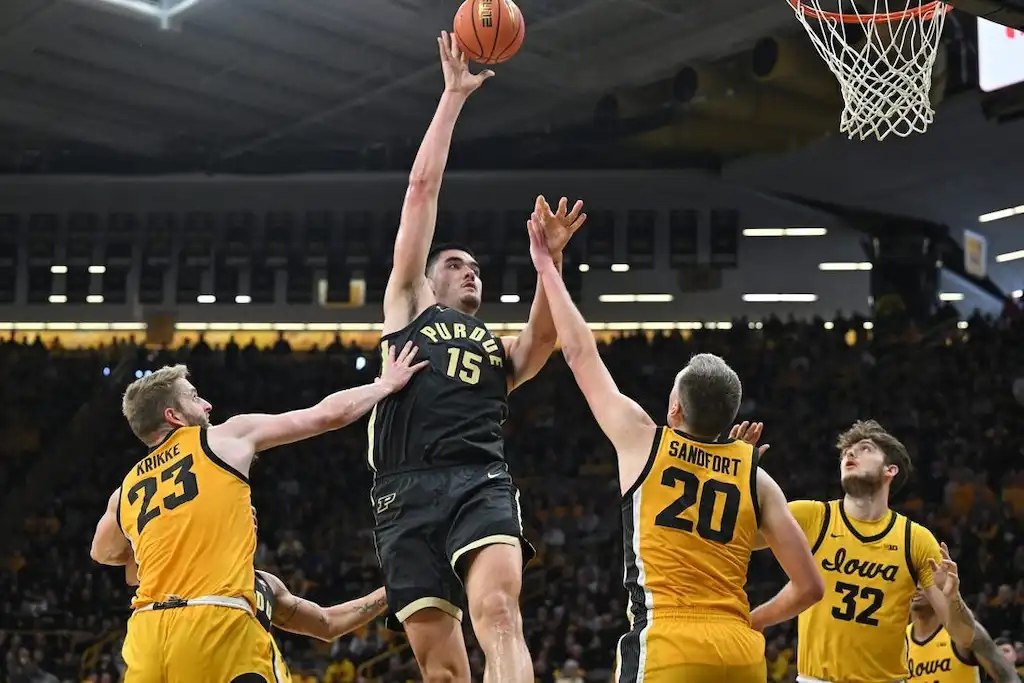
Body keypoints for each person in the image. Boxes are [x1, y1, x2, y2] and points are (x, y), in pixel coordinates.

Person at [368, 30, 586, 683]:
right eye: (455, 264)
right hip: (401, 490)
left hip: (478, 480)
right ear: (429, 278)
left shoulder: (496, 347)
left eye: (476, 268)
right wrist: (453, 97)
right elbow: (420, 192)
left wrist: (550, 261)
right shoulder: (408, 306)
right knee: (442, 668)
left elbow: (543, 339)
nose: (470, 273)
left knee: (499, 615)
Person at [523, 219, 825, 682]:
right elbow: (809, 587)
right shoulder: (756, 476)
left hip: (668, 645)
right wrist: (753, 622)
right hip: (741, 654)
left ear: (675, 408)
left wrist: (548, 265)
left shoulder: (644, 441)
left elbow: (580, 354)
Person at [89, 344, 425, 683]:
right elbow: (326, 415)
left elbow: (103, 552)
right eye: (194, 397)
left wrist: (160, 539)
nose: (207, 405)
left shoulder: (124, 491)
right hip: (214, 620)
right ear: (173, 416)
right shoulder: (221, 438)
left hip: (146, 635)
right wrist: (384, 385)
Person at [736, 419, 979, 683]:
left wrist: (953, 597)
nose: (850, 454)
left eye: (865, 448)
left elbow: (964, 636)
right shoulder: (812, 516)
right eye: (845, 452)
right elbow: (732, 536)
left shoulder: (916, 540)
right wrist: (734, 474)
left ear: (890, 470)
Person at [907, 577, 1018, 683]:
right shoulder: (899, 640)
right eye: (913, 580)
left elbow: (1009, 678)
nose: (917, 586)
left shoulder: (964, 630)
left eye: (923, 580)